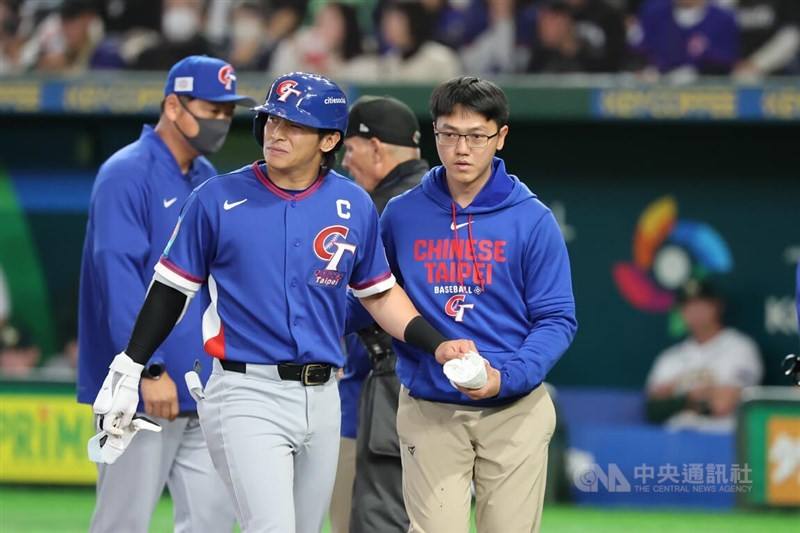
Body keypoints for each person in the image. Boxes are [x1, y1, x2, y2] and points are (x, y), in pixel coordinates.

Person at [89, 71, 477, 533]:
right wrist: (132, 365)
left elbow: (378, 294)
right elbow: (172, 289)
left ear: (329, 139)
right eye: (272, 119)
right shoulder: (216, 197)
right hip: (244, 389)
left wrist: (438, 343)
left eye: (294, 125)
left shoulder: (353, 204)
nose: (276, 132)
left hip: (323, 393)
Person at [361, 76, 578, 532]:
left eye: (476, 136)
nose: (462, 148)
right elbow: (370, 296)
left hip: (514, 409)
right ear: (434, 133)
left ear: (500, 137)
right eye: (449, 134)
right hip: (429, 407)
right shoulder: (401, 213)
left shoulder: (531, 219)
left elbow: (556, 318)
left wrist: (508, 376)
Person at [77, 55, 252, 533]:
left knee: (211, 523)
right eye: (211, 108)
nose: (222, 120)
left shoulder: (205, 175)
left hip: (201, 385)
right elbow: (117, 280)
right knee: (122, 523)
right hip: (138, 392)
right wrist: (145, 368)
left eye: (227, 111)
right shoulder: (126, 173)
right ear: (173, 106)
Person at [333, 96, 429, 533]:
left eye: (349, 149)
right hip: (436, 390)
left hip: (383, 385)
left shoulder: (386, 208)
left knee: (368, 517)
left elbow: (365, 302)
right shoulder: (442, 198)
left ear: (375, 148)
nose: (345, 163)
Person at [645, 279, 763, 432]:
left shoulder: (740, 348)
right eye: (688, 305)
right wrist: (696, 396)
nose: (695, 311)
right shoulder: (669, 358)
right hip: (674, 445)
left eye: (701, 304)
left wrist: (676, 395)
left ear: (717, 306)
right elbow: (653, 410)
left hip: (723, 441)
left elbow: (723, 404)